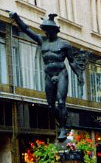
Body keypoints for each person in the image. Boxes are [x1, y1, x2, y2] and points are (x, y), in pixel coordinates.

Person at [9, 11, 86, 140]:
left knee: (61, 102)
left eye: (48, 29)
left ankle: (63, 128)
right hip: (49, 75)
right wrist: (16, 18)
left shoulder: (64, 44)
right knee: (50, 106)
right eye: (44, 29)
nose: (46, 32)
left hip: (61, 74)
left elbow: (72, 61)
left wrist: (79, 75)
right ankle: (63, 122)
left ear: (54, 30)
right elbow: (26, 29)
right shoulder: (42, 40)